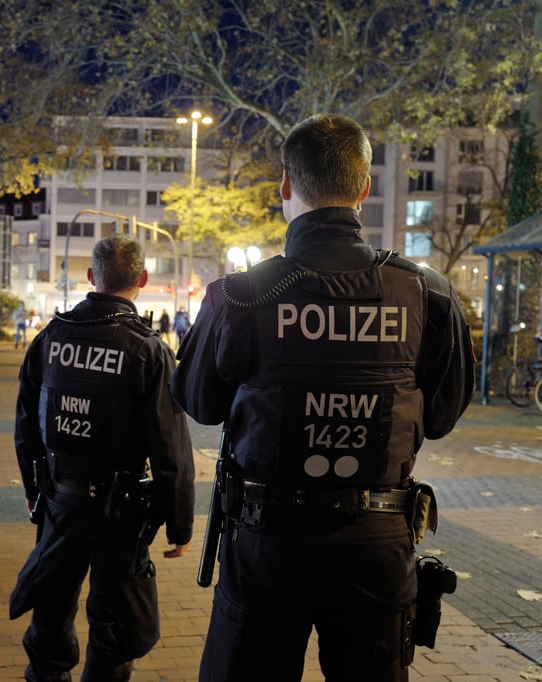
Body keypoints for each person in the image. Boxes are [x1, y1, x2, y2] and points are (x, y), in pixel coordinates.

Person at [171, 113, 475, 681]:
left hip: (268, 542)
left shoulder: (241, 294)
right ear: (363, 189)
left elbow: (197, 401)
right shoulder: (426, 293)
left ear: (285, 186)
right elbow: (442, 415)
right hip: (377, 541)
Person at [10, 233, 195, 681]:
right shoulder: (147, 349)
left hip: (59, 502)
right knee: (114, 629)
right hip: (120, 512)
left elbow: (25, 429)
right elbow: (169, 447)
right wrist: (179, 523)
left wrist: (37, 495)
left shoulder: (50, 337)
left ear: (91, 276)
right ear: (143, 279)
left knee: (50, 613)